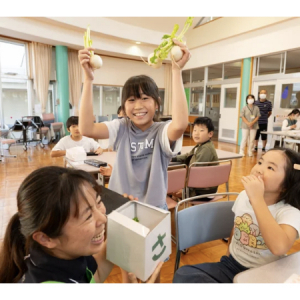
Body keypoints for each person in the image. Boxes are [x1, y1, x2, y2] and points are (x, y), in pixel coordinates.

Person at [78, 39, 190, 210]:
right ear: (124, 107)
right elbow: (86, 128)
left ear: (157, 103)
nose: (138, 106)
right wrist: (88, 79)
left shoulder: (161, 131)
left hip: (153, 207)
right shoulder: (121, 127)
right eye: (131, 100)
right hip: (121, 204)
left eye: (145, 98)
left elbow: (180, 124)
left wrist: (176, 71)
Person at [0, 166, 163, 283]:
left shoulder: (64, 253)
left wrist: (125, 228)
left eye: (98, 202)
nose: (103, 219)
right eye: (87, 216)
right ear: (45, 238)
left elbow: (94, 276)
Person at [173, 148, 300, 283]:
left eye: (270, 167)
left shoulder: (290, 212)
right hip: (231, 265)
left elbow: (279, 247)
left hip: (266, 272)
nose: (259, 169)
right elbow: (235, 228)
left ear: (285, 185)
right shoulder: (244, 196)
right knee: (183, 274)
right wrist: (228, 254)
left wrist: (257, 199)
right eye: (260, 162)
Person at [171, 116, 218, 198]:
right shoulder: (201, 146)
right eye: (195, 130)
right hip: (201, 186)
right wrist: (173, 158)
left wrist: (185, 190)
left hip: (203, 191)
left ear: (210, 134)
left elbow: (195, 172)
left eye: (201, 130)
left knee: (169, 186)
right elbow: (188, 155)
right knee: (171, 185)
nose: (196, 133)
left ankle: (174, 208)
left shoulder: (206, 149)